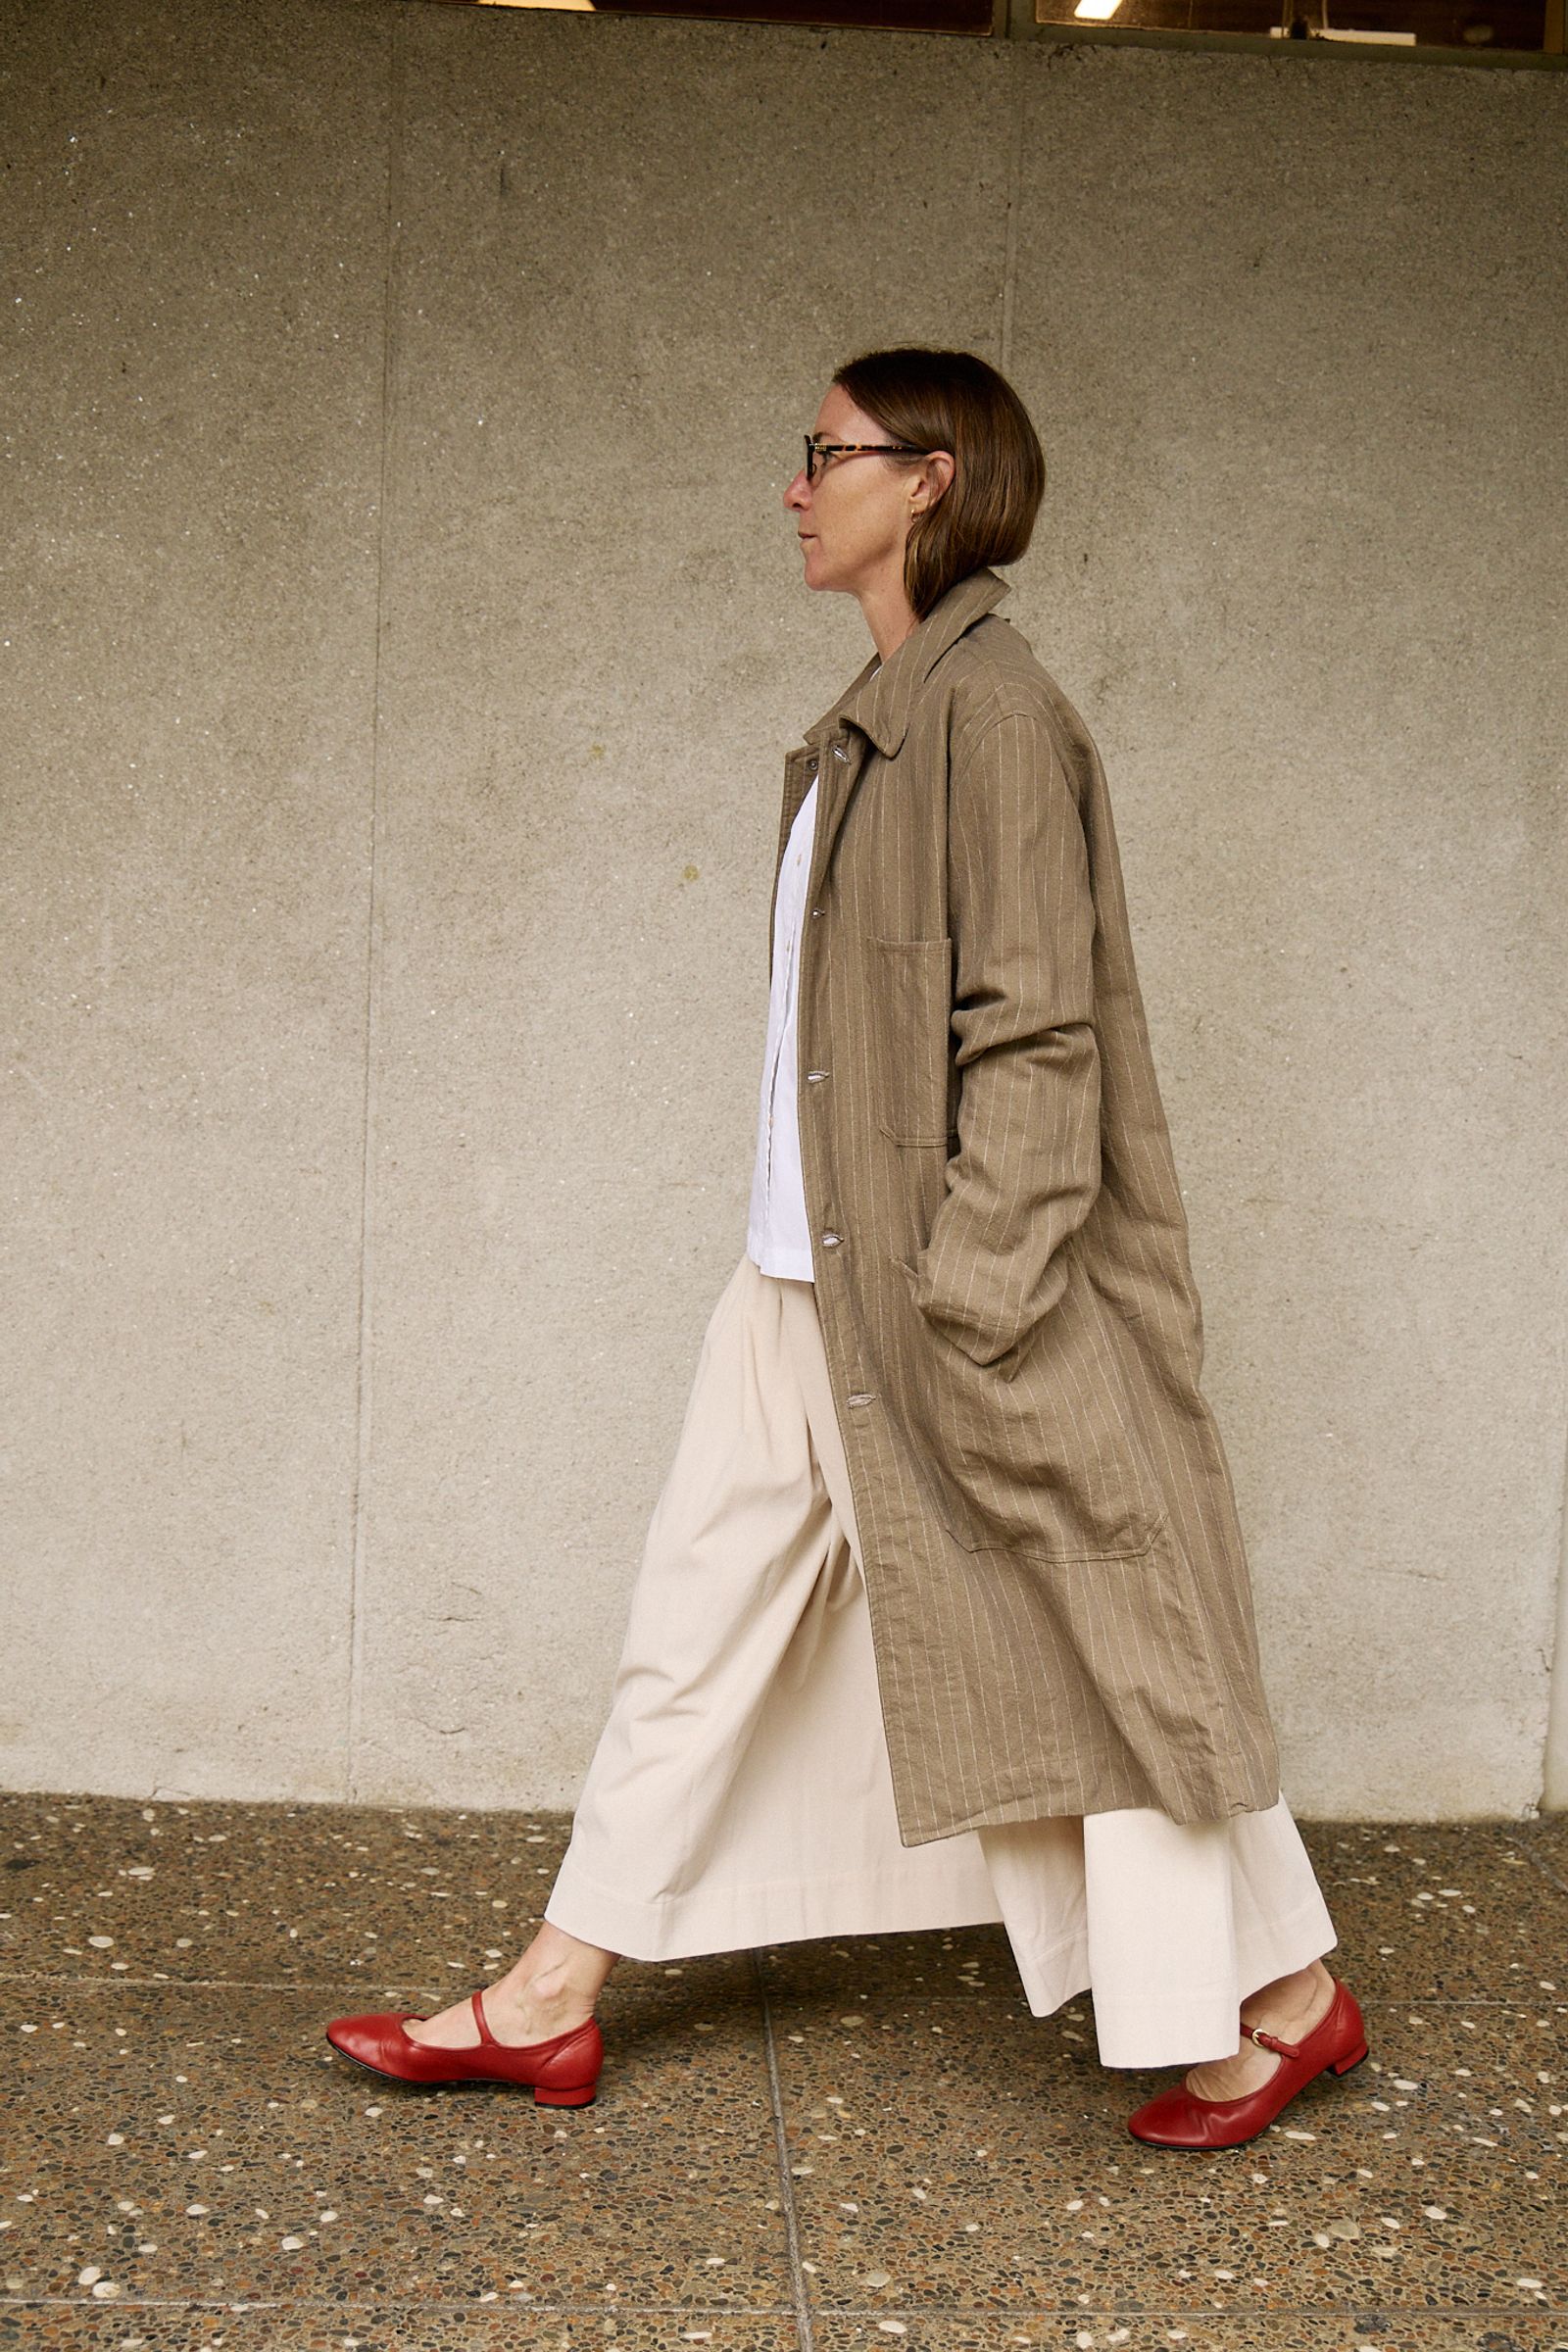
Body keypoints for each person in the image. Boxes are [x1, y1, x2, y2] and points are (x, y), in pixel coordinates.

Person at [326, 345, 1367, 2147]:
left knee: (1091, 1637)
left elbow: (1041, 1036)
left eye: (828, 453)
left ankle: (1276, 1998)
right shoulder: (872, 719)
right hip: (794, 1281)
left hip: (936, 1302)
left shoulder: (997, 715)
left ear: (934, 478)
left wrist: (968, 1299)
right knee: (696, 1629)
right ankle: (552, 1996)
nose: (797, 484)